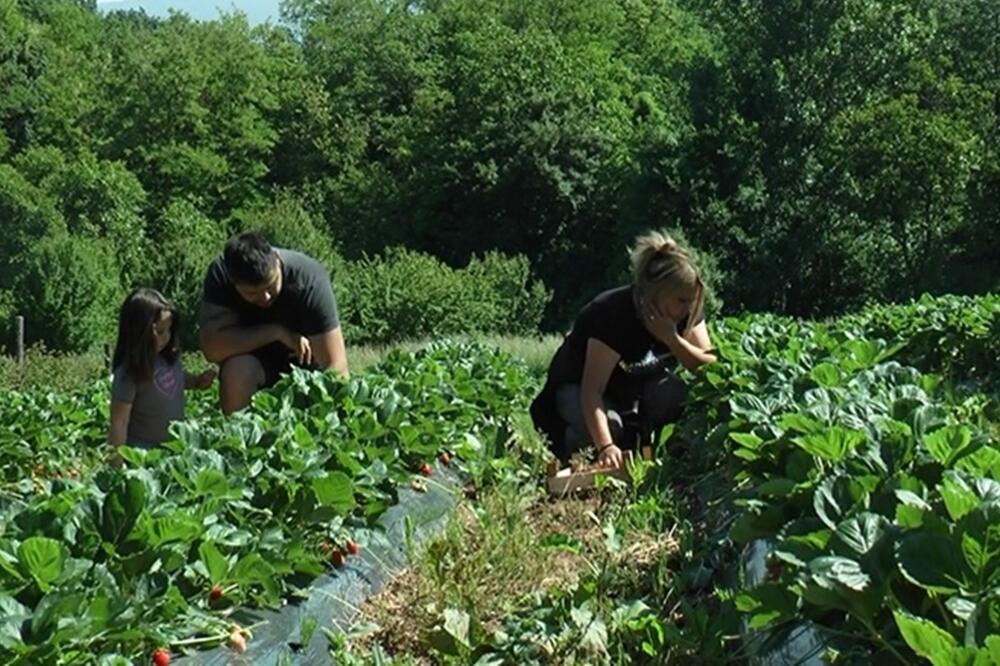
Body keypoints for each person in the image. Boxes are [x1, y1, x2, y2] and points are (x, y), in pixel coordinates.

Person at [530, 230, 716, 468]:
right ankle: (576, 460)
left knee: (683, 397)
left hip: (631, 390)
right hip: (576, 390)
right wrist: (606, 446)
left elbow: (710, 370)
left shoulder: (686, 311)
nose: (687, 308)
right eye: (681, 300)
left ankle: (675, 459)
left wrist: (672, 340)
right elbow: (591, 391)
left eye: (692, 300)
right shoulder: (612, 314)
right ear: (654, 295)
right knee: (610, 426)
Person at [199, 232, 348, 414]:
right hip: (253, 361)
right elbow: (212, 349)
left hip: (307, 366)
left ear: (277, 262)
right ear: (233, 283)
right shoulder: (221, 275)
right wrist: (275, 332)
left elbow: (336, 364)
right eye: (252, 294)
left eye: (271, 285)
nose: (265, 297)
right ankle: (239, 437)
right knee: (236, 372)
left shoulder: (309, 279)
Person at [108, 288, 216, 456]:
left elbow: (176, 379)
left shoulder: (168, 359)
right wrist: (116, 464)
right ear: (139, 333)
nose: (166, 337)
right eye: (159, 331)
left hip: (175, 447)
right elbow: (118, 423)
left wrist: (196, 381)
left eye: (169, 330)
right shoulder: (129, 374)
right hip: (143, 452)